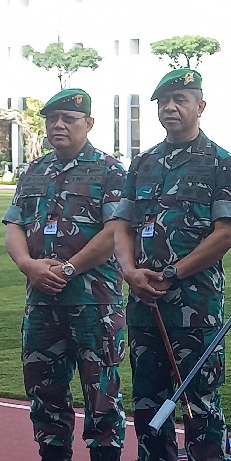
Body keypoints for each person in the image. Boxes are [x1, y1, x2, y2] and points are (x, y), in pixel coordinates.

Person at [113, 69, 231, 461]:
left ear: (200, 106)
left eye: (181, 99)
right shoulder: (143, 163)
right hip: (144, 305)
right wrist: (130, 272)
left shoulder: (221, 162)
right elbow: (121, 225)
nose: (170, 107)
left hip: (194, 307)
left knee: (200, 405)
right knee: (148, 403)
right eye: (163, 101)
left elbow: (225, 234)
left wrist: (172, 273)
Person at [4, 89, 127, 461]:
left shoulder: (110, 171)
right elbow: (14, 224)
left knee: (101, 395)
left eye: (69, 119)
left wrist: (70, 268)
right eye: (52, 119)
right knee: (45, 394)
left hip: (95, 304)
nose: (58, 126)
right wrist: (28, 265)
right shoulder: (33, 171)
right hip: (42, 304)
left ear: (88, 123)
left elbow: (116, 231)